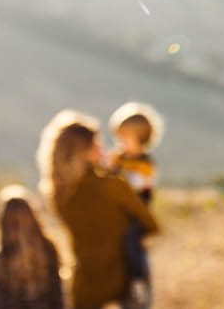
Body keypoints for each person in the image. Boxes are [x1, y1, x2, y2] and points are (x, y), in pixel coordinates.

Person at [37, 110, 160, 309]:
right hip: (124, 282)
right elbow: (151, 225)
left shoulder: (59, 195)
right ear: (86, 151)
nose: (105, 148)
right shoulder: (113, 186)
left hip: (84, 284)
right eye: (97, 144)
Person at [106, 102, 166, 308]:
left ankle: (138, 279)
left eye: (125, 138)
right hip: (118, 214)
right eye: (118, 137)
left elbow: (137, 185)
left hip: (137, 214)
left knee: (131, 240)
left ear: (141, 139)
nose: (120, 142)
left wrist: (118, 175)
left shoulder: (146, 164)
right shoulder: (118, 158)